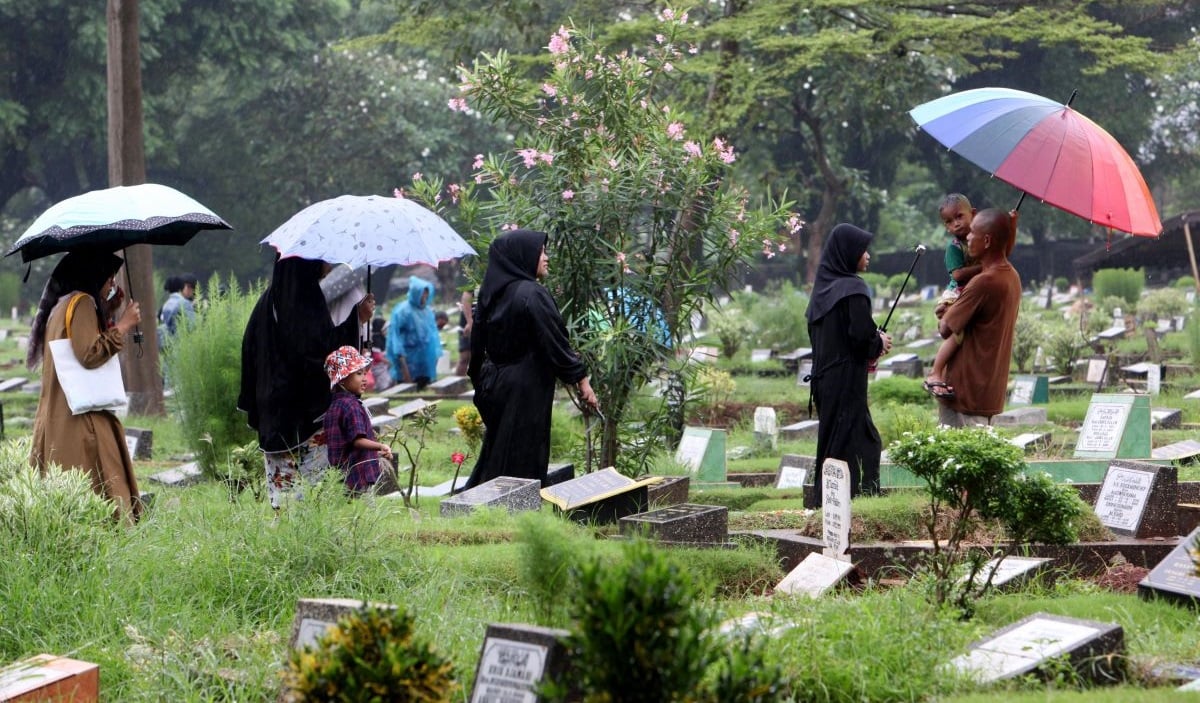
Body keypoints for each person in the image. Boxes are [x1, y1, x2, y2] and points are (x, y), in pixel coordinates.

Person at [463, 229, 599, 489]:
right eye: (541, 252)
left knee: (501, 447)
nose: (546, 258)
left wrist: (482, 383)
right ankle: (516, 506)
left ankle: (491, 500)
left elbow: (477, 345)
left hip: (498, 381)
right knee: (524, 451)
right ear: (523, 257)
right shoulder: (531, 293)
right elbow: (555, 342)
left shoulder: (493, 293)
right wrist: (583, 382)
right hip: (528, 385)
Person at [238, 256, 375, 510]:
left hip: (273, 411)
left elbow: (250, 353)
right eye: (323, 259)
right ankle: (311, 544)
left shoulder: (267, 302)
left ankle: (285, 543)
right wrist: (357, 319)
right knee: (316, 495)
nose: (329, 266)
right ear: (306, 263)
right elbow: (322, 354)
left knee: (285, 497)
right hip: (306, 414)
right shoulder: (305, 300)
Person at [27, 251, 144, 523]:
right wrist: (124, 325)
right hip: (80, 418)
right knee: (99, 480)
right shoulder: (81, 303)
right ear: (94, 275)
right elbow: (89, 354)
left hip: (62, 413)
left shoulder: (63, 304)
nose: (111, 286)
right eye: (109, 280)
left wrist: (110, 308)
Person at [804, 223, 893, 507]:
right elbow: (859, 338)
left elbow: (837, 336)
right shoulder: (853, 288)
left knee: (840, 440)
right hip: (845, 380)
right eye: (862, 250)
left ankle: (837, 501)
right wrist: (879, 342)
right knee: (854, 442)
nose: (867, 255)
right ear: (848, 253)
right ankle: (850, 501)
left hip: (824, 380)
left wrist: (871, 340)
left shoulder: (822, 292)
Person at [936, 208, 1022, 426]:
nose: (968, 237)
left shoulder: (984, 282)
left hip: (966, 390)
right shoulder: (1012, 276)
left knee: (958, 456)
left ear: (986, 241)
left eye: (972, 233)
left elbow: (945, 328)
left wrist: (945, 310)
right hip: (987, 388)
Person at [924, 194, 980, 398]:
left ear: (973, 214)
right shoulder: (954, 248)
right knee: (957, 334)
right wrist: (984, 267)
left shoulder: (982, 238)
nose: (955, 224)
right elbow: (957, 275)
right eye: (949, 221)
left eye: (959, 217)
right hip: (955, 294)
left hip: (970, 293)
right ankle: (936, 371)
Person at [323, 345, 394, 495]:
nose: (364, 378)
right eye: (359, 374)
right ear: (342, 379)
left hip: (340, 474)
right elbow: (357, 440)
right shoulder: (351, 406)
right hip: (358, 474)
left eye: (364, 373)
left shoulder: (335, 405)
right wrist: (380, 446)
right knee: (364, 514)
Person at [385, 276, 442, 389]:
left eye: (426, 293)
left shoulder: (428, 312)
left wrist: (435, 357)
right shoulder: (402, 311)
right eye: (422, 293)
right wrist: (403, 367)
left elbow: (433, 337)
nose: (425, 297)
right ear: (416, 293)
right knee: (408, 394)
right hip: (408, 362)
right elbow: (396, 339)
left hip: (425, 363)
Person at [158, 272, 198, 341]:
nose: (190, 290)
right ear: (181, 286)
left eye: (192, 288)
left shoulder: (167, 303)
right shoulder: (185, 304)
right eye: (188, 286)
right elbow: (193, 326)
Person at [455, 289, 475, 377]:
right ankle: (457, 383)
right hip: (469, 319)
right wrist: (470, 321)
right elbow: (467, 293)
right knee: (465, 356)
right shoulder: (475, 276)